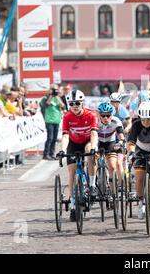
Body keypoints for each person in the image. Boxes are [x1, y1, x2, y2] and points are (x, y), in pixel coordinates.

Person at [56, 90, 98, 222]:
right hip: (73, 144)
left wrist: (94, 148)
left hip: (87, 141)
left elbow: (94, 134)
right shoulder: (67, 116)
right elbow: (65, 135)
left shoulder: (91, 114)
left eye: (77, 103)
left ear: (82, 103)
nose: (75, 105)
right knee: (72, 173)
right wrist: (62, 150)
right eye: (72, 103)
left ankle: (91, 185)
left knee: (90, 153)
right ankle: (73, 205)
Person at [96, 102, 125, 184]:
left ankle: (113, 187)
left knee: (112, 166)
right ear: (99, 115)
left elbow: (121, 135)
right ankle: (91, 183)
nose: (106, 118)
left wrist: (120, 142)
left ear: (112, 115)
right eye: (103, 115)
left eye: (108, 115)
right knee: (91, 161)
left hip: (110, 143)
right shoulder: (95, 121)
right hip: (98, 142)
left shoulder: (116, 121)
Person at [40, 84, 65, 160]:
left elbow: (63, 106)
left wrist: (57, 97)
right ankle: (46, 154)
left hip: (56, 120)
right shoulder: (45, 98)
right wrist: (51, 96)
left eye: (56, 89)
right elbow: (46, 105)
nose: (54, 91)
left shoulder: (59, 98)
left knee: (54, 138)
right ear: (50, 89)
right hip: (49, 120)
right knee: (50, 138)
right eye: (53, 89)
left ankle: (52, 153)